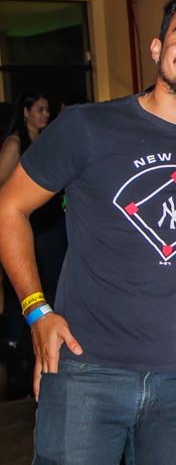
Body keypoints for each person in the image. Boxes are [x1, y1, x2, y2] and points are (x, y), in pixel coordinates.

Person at [0, 0, 176, 464]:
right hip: (87, 372)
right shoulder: (87, 126)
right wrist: (36, 312)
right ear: (157, 48)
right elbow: (9, 208)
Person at [0, 92, 67, 399]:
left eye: (47, 109)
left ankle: (45, 353)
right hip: (28, 232)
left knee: (51, 291)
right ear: (25, 112)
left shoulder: (47, 142)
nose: (46, 115)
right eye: (40, 109)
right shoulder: (14, 144)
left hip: (51, 230)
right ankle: (18, 362)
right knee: (24, 295)